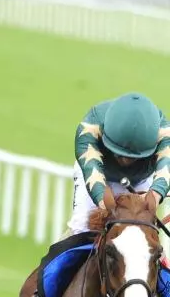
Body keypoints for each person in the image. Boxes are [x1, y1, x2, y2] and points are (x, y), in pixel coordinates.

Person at [66, 92, 170, 236]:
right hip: (100, 173)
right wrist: (111, 207)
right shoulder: (89, 128)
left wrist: (155, 195)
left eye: (133, 158)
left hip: (142, 179)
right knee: (81, 228)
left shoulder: (165, 133)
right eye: (119, 154)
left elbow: (164, 173)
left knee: (145, 235)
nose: (125, 161)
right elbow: (95, 179)